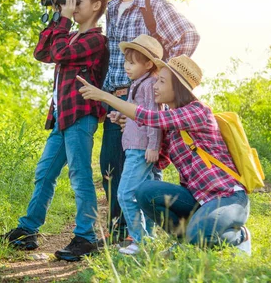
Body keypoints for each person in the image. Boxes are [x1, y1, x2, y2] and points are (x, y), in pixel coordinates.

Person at [77, 55, 252, 255]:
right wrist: (131, 127)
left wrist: (105, 96)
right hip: (196, 200)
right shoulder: (170, 128)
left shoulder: (198, 111)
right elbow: (158, 162)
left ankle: (240, 236)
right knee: (146, 191)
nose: (155, 86)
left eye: (161, 81)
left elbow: (150, 117)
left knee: (201, 235)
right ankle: (187, 241)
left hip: (226, 198)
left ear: (177, 87)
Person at [0, 0, 109, 262]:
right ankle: (27, 231)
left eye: (78, 1)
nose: (73, 5)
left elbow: (59, 54)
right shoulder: (69, 36)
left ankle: (86, 237)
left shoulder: (97, 40)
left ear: (96, 6)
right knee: (44, 173)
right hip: (61, 117)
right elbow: (41, 52)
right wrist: (57, 16)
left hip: (81, 115)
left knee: (80, 176)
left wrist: (62, 20)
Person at [99, 0, 200, 242]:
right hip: (116, 99)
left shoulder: (153, 5)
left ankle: (138, 238)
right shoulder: (113, 8)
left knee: (138, 167)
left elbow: (189, 35)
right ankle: (127, 234)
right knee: (111, 165)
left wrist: (161, 76)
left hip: (143, 102)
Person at [107, 34, 163, 256]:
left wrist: (153, 145)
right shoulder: (137, 84)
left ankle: (139, 240)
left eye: (132, 62)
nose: (126, 67)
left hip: (141, 148)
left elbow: (153, 116)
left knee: (125, 193)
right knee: (144, 195)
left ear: (148, 64)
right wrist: (118, 115)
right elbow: (135, 114)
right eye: (125, 61)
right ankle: (149, 241)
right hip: (135, 146)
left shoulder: (149, 85)